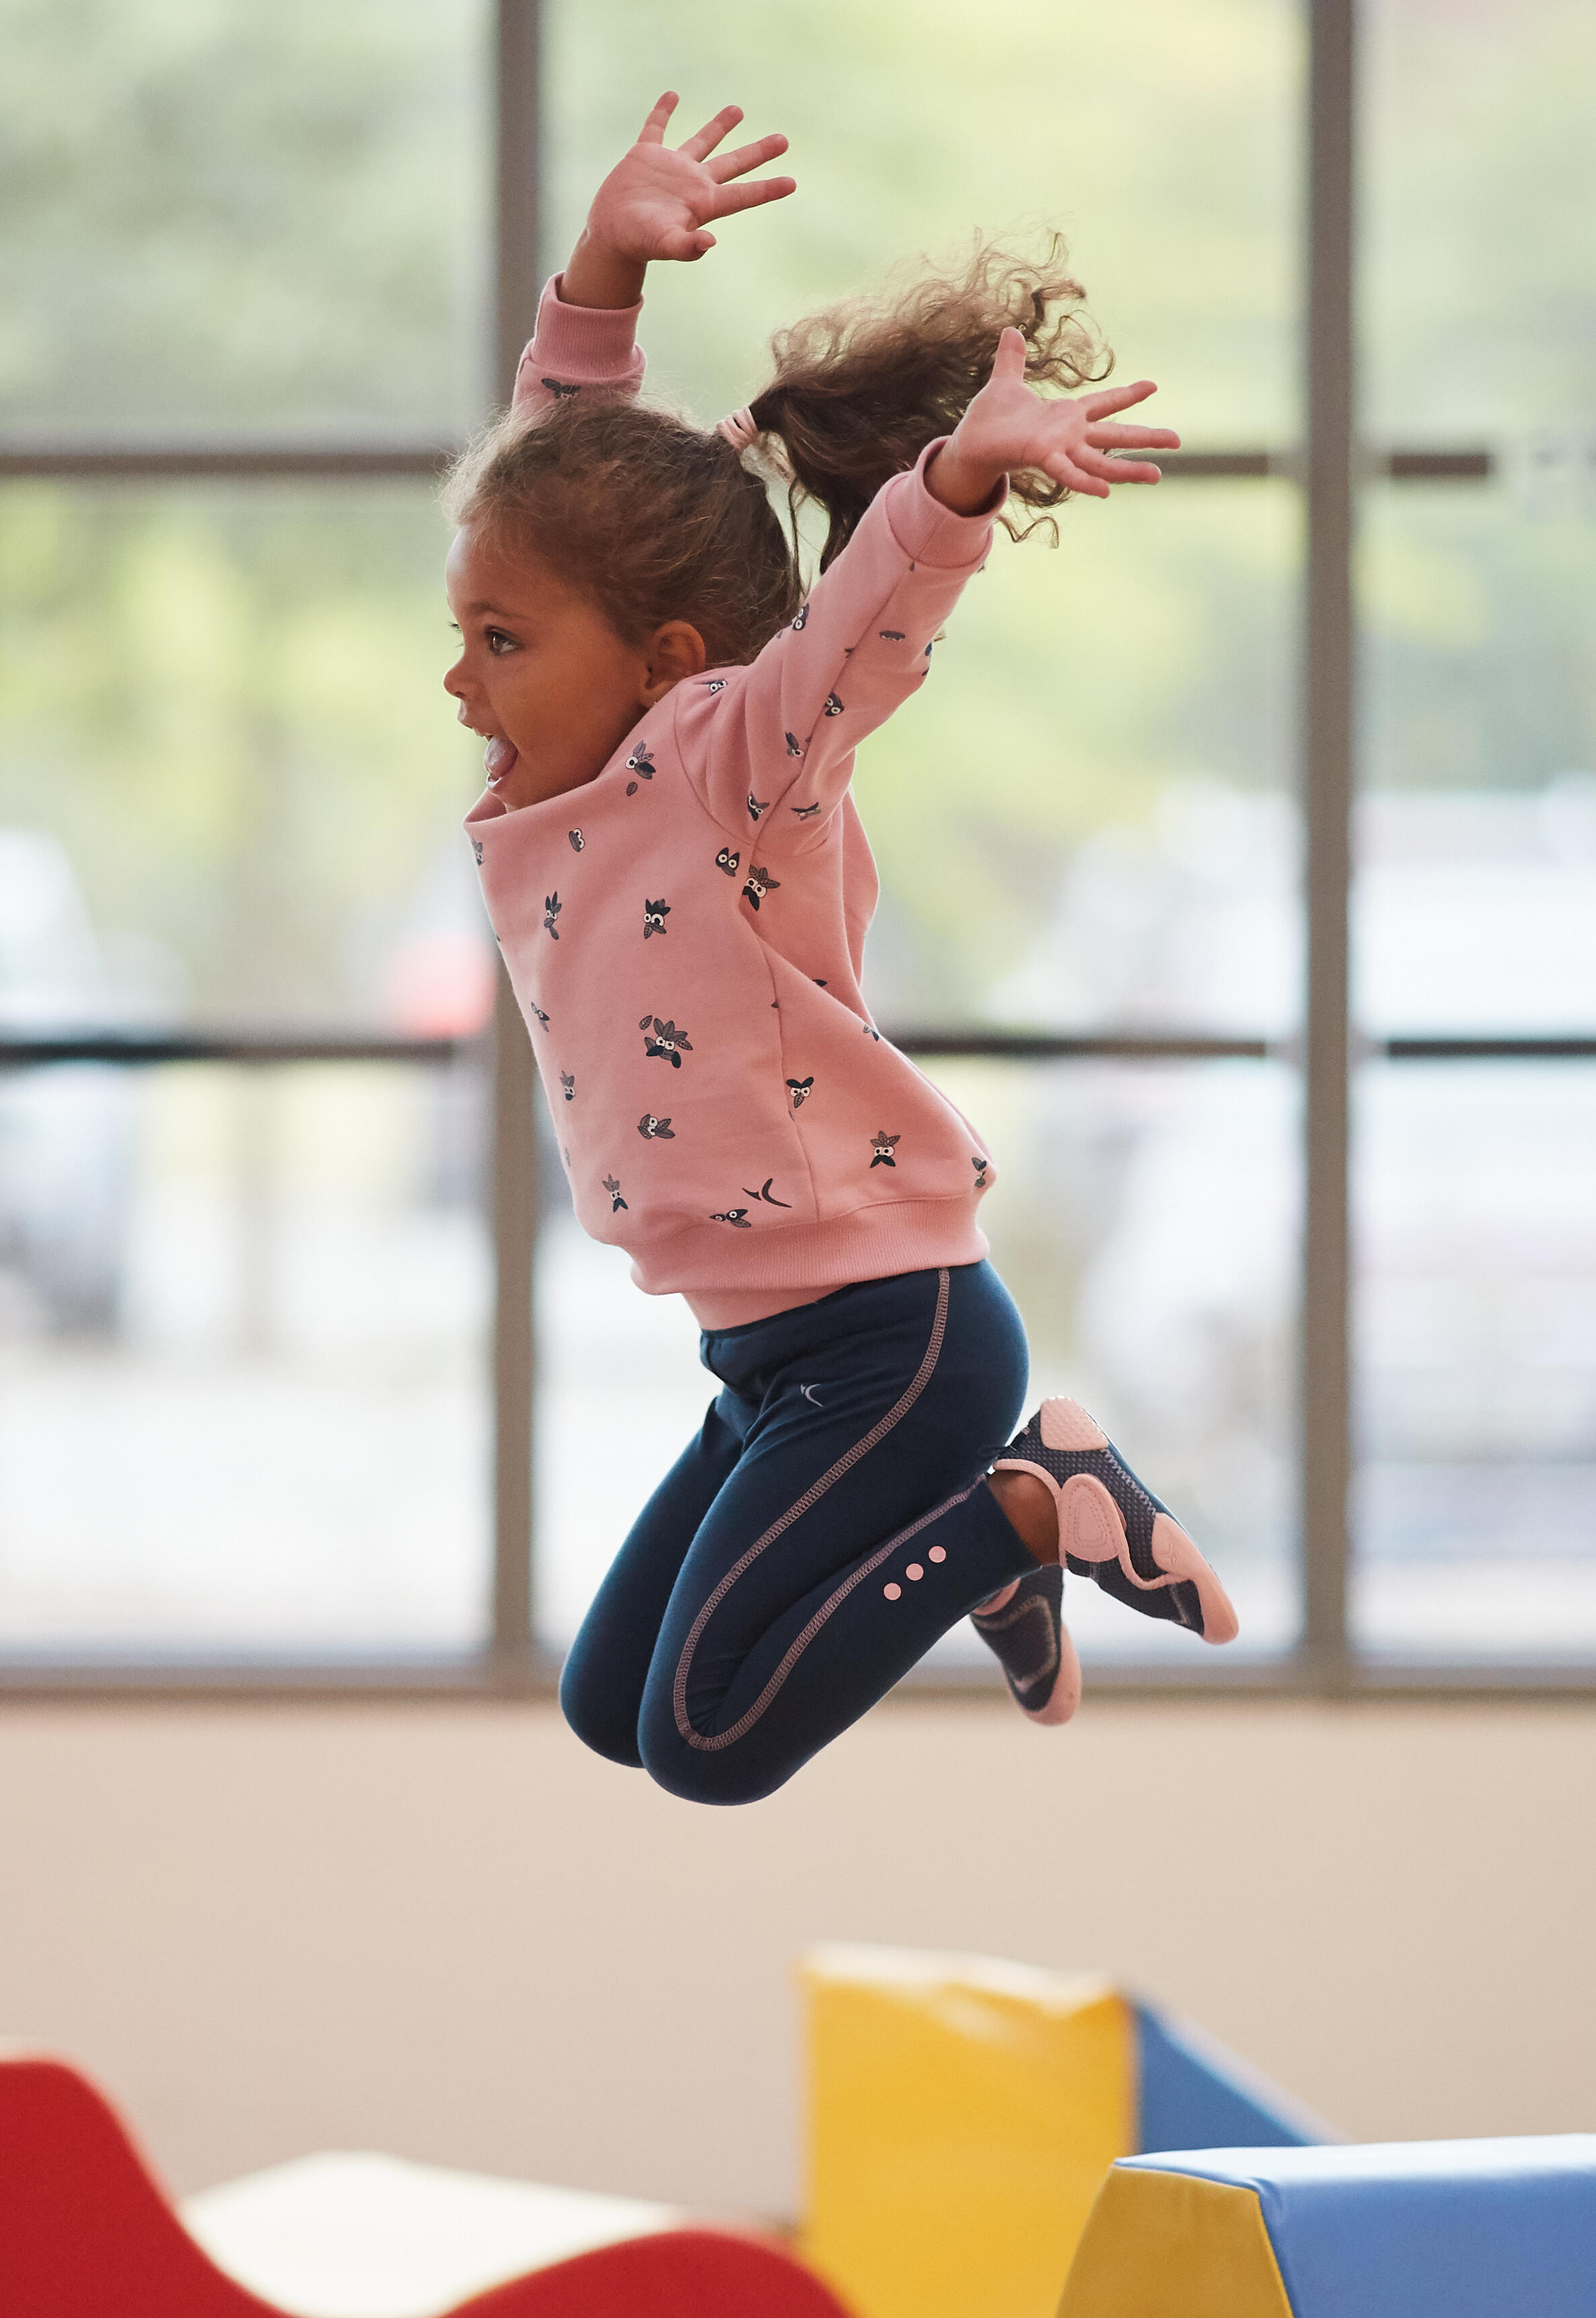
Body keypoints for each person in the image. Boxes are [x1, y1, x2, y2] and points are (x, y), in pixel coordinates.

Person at [444, 92, 1234, 1805]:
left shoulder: (732, 765)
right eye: (464, 635)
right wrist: (595, 278)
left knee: (711, 1740)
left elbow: (858, 639)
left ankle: (1034, 1504)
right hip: (770, 1354)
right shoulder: (560, 771)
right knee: (613, 1711)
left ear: (667, 660)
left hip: (895, 1335)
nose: (460, 682)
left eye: (497, 645)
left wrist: (950, 484)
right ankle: (1012, 1536)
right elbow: (559, 487)